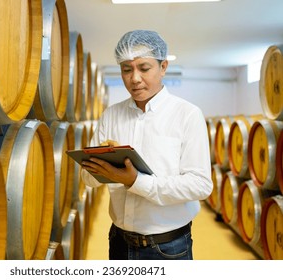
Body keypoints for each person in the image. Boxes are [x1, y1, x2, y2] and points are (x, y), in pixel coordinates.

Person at [80, 30, 213, 260]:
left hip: (168, 247)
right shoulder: (111, 115)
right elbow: (88, 181)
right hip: (119, 242)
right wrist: (98, 166)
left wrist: (135, 181)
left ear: (163, 68)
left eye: (144, 68)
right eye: (126, 69)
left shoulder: (187, 114)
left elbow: (200, 185)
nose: (135, 78)